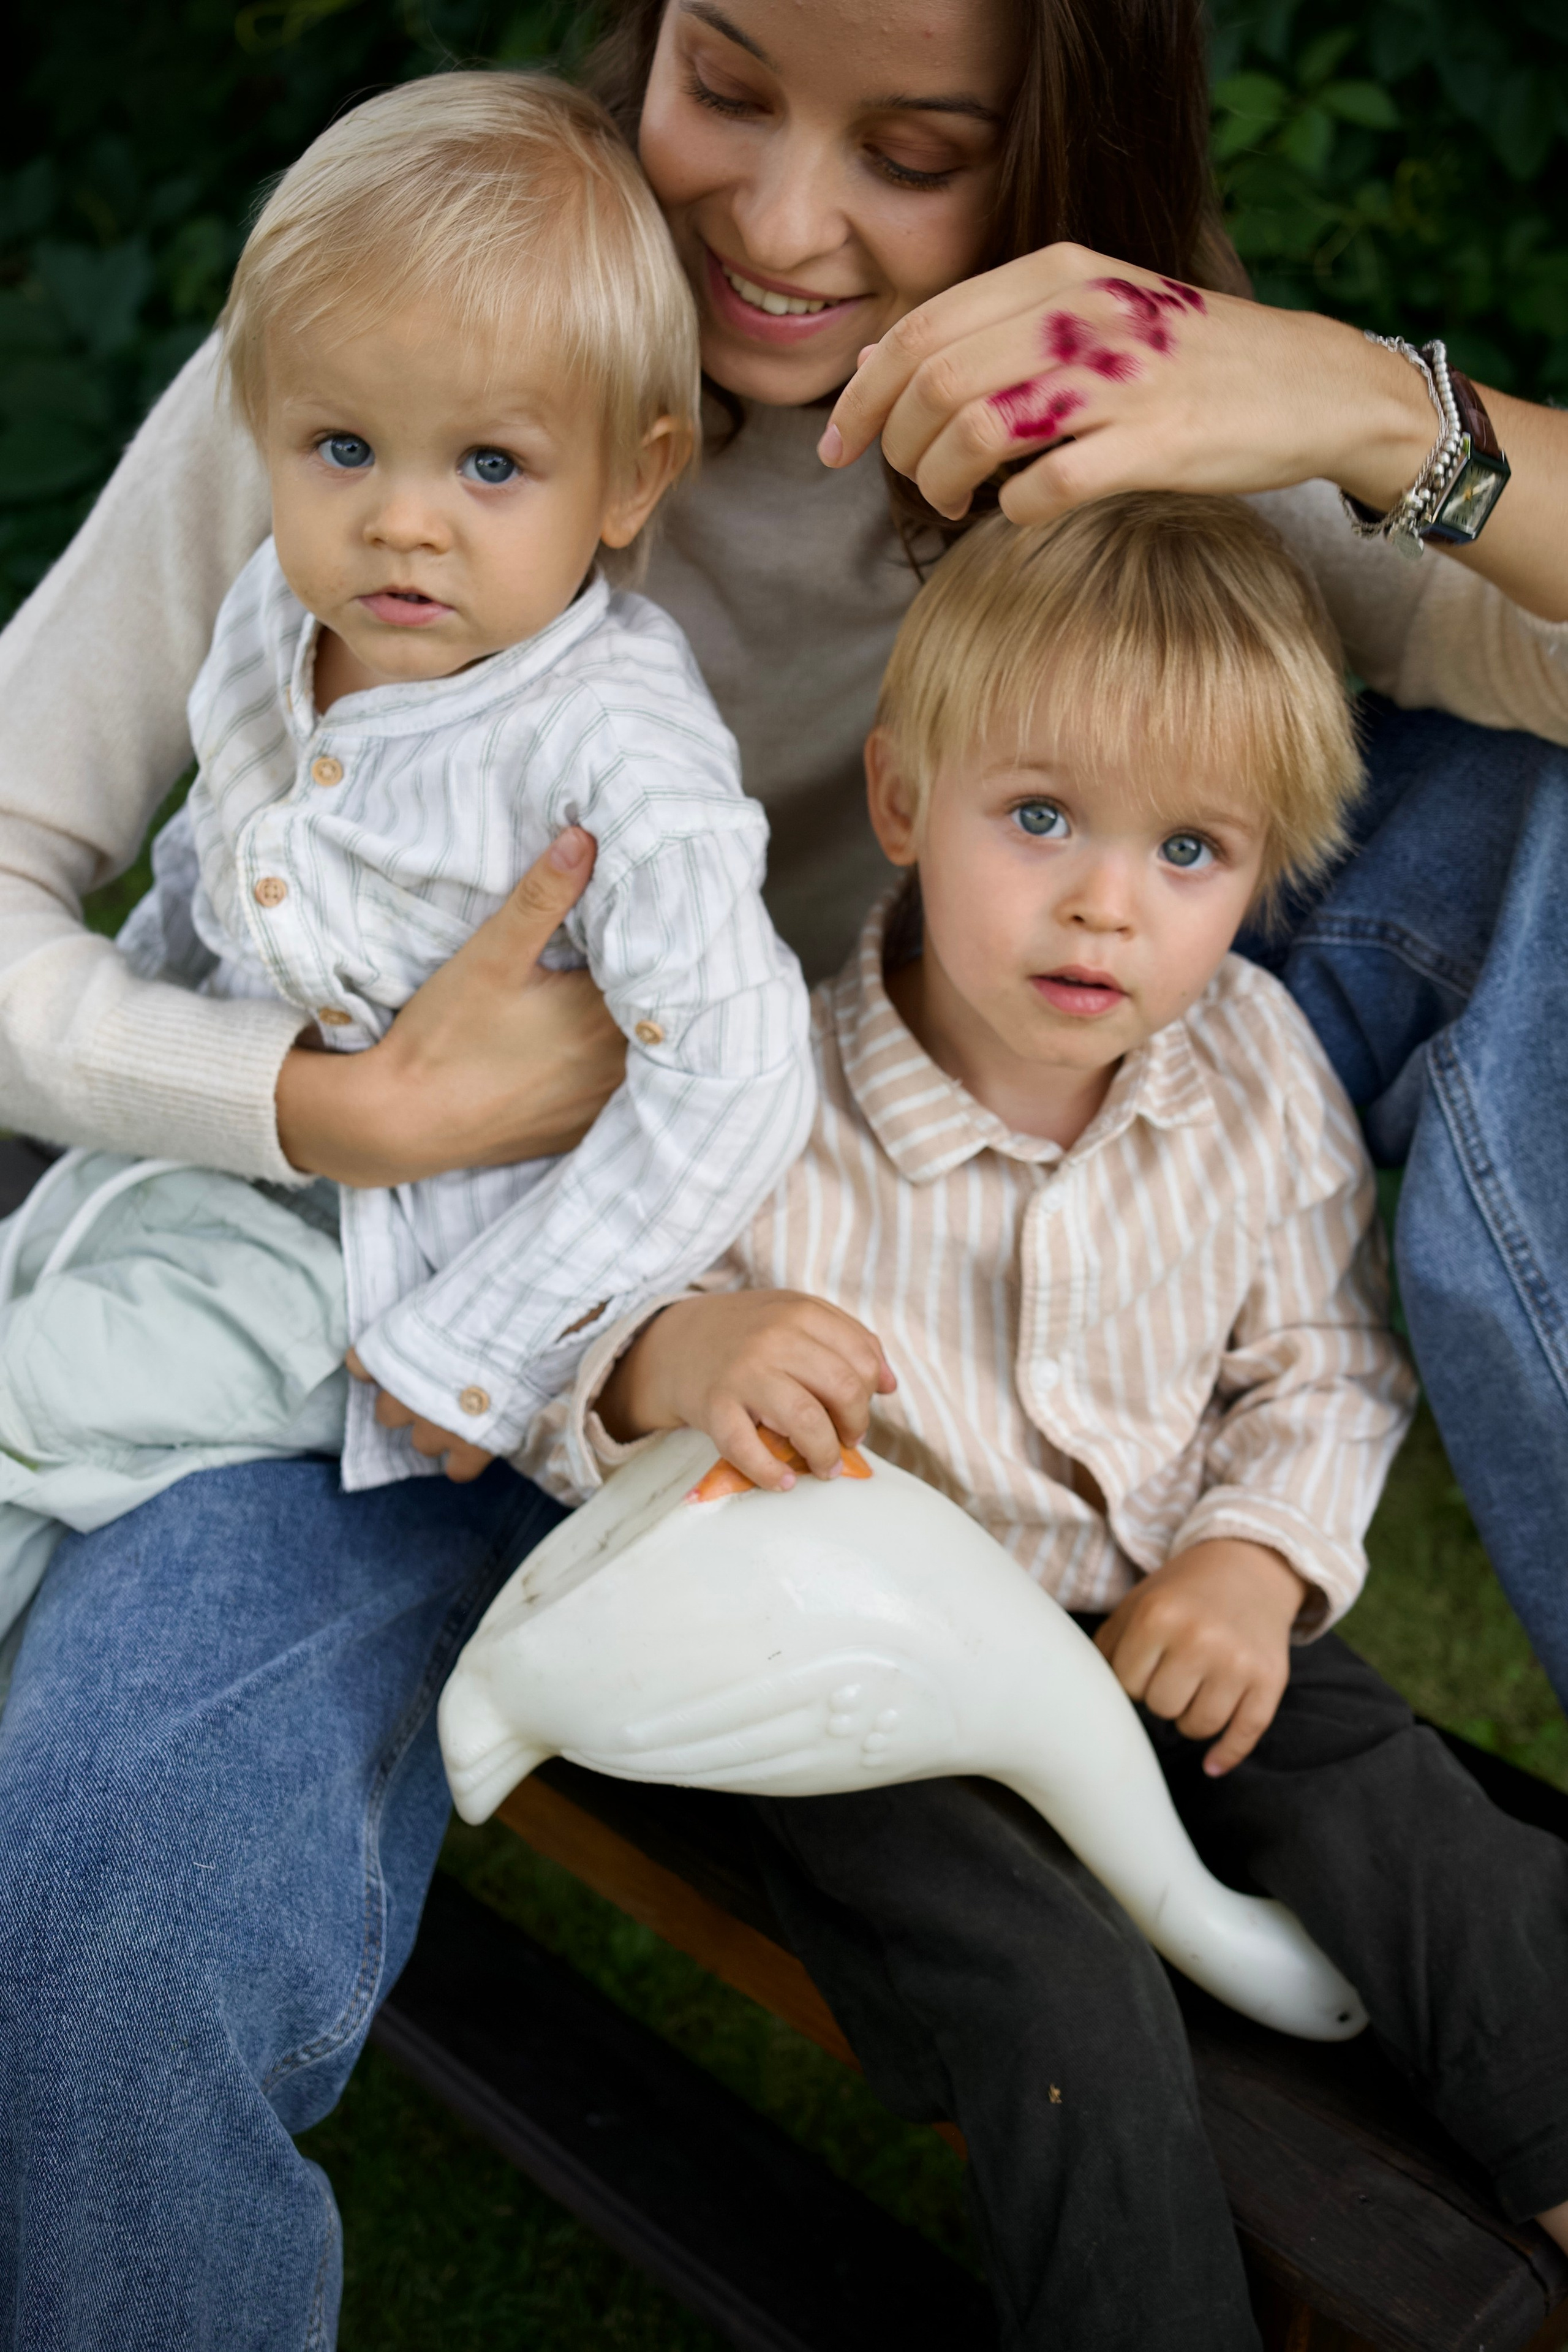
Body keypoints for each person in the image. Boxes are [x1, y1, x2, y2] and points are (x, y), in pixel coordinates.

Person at [1, 1, 1566, 2343]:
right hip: (386, 1334)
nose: (783, 215)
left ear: (1046, 145)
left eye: (913, 147)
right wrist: (325, 1108)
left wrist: (1360, 402)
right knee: (110, 1896)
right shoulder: (417, 344)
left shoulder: (1128, 445)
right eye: (726, 85)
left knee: (1536, 829)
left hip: (891, 1289)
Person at [548, 492, 1568, 2342]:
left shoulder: (1250, 1073)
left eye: (1188, 848)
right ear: (899, 806)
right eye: (1041, 820)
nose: (1109, 900)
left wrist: (1257, 1559)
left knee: (1397, 1814)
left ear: (1256, 880)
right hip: (875, 1689)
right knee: (1050, 1990)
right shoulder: (759, 1093)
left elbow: (1326, 1363)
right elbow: (572, 1331)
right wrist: (671, 1358)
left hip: (1162, 1598)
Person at [0, 71, 813, 1653]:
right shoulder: (282, 620)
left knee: (30, 1401)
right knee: (44, 1421)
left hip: (396, 1275)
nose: (404, 525)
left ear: (632, 479)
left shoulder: (616, 755)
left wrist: (490, 1339)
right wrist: (158, 1074)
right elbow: (209, 878)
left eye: (490, 467)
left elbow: (740, 1073)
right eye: (344, 447)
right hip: (214, 1173)